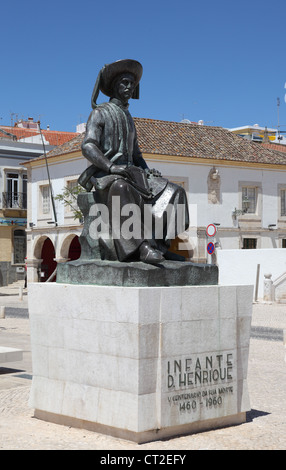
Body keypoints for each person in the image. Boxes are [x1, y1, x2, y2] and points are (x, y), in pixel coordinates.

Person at [79, 59, 189, 264]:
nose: (129, 87)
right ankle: (141, 248)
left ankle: (161, 246)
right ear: (114, 85)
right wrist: (111, 166)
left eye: (132, 84)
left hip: (134, 173)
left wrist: (148, 171)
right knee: (121, 187)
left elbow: (136, 155)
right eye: (124, 83)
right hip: (107, 174)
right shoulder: (99, 113)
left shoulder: (129, 118)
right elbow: (88, 146)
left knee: (175, 192)